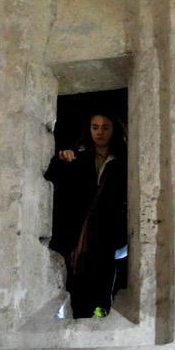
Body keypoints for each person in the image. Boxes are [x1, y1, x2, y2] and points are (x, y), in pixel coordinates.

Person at [44, 109, 127, 318]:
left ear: (114, 129)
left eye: (105, 127)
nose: (100, 132)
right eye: (95, 127)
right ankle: (77, 317)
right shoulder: (79, 155)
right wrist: (62, 160)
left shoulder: (123, 158)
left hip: (108, 229)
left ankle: (100, 315)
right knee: (75, 276)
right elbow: (52, 179)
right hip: (78, 227)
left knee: (103, 277)